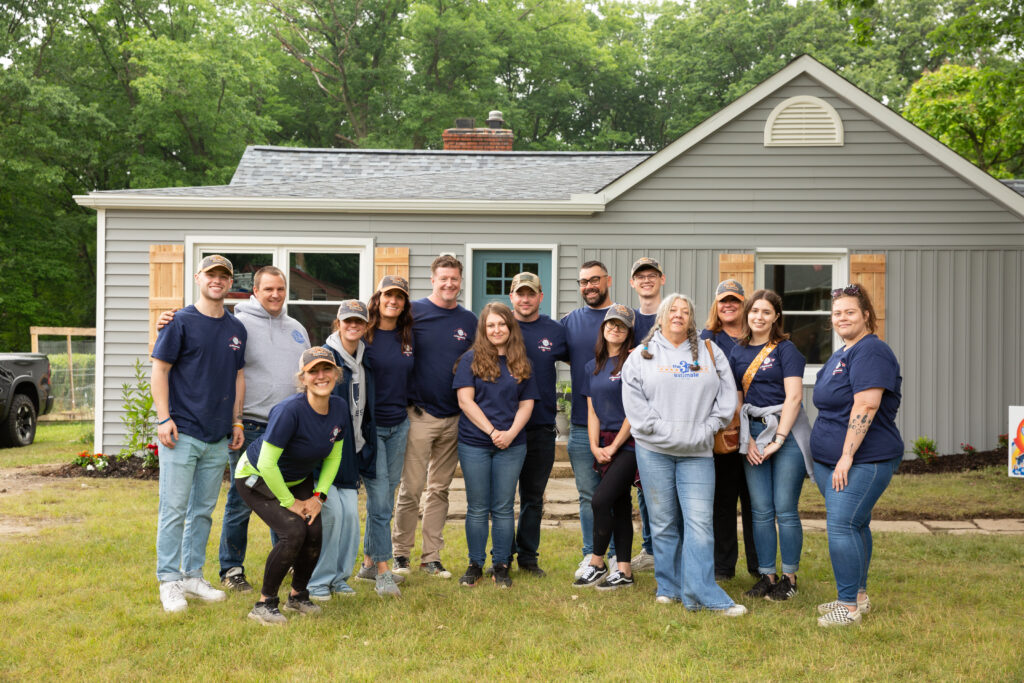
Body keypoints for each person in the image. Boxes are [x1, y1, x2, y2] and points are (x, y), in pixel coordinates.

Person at [621, 293, 745, 615]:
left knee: (700, 524)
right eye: (672, 310)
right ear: (660, 317)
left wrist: (708, 428)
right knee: (663, 523)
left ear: (691, 319)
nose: (679, 315)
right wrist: (664, 431)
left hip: (698, 452)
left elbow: (727, 394)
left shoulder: (708, 351)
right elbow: (634, 403)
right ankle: (669, 586)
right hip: (654, 451)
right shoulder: (642, 355)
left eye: (685, 311)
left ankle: (701, 592)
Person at [151, 254, 246, 613]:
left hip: (218, 435)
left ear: (229, 282)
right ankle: (169, 580)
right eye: (211, 275)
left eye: (223, 276)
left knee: (203, 510)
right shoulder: (180, 322)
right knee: (174, 508)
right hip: (182, 431)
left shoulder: (236, 329)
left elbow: (238, 376)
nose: (217, 280)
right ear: (198, 277)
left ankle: (192, 575)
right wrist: (163, 418)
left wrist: (236, 421)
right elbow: (159, 370)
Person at [811, 284, 902, 627]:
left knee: (842, 525)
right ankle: (859, 597)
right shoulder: (843, 352)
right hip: (832, 460)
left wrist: (846, 457)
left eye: (850, 311)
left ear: (866, 315)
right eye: (836, 313)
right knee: (856, 524)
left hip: (865, 460)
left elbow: (866, 404)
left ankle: (847, 607)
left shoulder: (871, 351)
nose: (842, 318)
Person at [233, 347, 345, 625]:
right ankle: (264, 604)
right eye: (313, 371)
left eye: (326, 369)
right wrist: (291, 503)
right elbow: (269, 465)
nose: (321, 376)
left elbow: (334, 455)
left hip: (297, 477)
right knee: (293, 531)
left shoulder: (339, 407)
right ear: (303, 378)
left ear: (336, 374)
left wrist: (319, 497)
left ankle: (298, 596)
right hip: (256, 476)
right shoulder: (289, 411)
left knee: (315, 529)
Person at [392, 255, 477, 578]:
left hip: (455, 416)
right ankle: (400, 554)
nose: (449, 284)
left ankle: (431, 557)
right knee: (411, 488)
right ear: (432, 279)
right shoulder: (412, 313)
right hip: (419, 415)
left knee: (440, 489)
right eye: (443, 278)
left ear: (460, 281)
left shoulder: (469, 321)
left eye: (454, 278)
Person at [730, 289, 812, 603]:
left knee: (785, 509)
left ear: (776, 316)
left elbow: (794, 397)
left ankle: (789, 578)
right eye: (754, 311)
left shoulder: (786, 350)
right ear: (746, 315)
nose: (759, 317)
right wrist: (746, 439)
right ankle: (767, 576)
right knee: (761, 512)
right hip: (752, 435)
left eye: (766, 312)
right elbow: (737, 401)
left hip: (786, 434)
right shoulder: (737, 353)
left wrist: (778, 440)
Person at [454, 303, 539, 588]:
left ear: (510, 327)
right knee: (477, 507)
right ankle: (475, 564)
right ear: (483, 329)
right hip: (475, 443)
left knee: (503, 507)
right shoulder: (470, 360)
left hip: (512, 445)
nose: (496, 330)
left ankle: (501, 564)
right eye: (491, 325)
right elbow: (465, 401)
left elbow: (527, 404)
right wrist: (492, 431)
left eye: (501, 324)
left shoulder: (522, 362)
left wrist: (510, 433)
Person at [307, 300, 377, 601]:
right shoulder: (325, 357)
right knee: (331, 516)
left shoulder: (364, 359)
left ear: (365, 326)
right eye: (347, 320)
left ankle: (340, 578)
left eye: (358, 321)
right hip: (323, 453)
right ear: (338, 322)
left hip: (351, 451)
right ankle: (317, 581)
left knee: (350, 517)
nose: (353, 326)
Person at [353, 276, 414, 596]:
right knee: (379, 503)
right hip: (371, 430)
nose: (394, 301)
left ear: (405, 303)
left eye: (400, 297)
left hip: (399, 425)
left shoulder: (407, 336)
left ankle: (366, 563)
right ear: (377, 298)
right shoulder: (364, 334)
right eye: (388, 295)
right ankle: (382, 571)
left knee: (385, 499)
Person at [508, 272, 568, 576]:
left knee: (533, 497)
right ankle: (502, 556)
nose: (525, 299)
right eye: (520, 293)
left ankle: (528, 557)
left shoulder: (555, 331)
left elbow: (585, 362)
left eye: (531, 293)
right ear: (512, 297)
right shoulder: (499, 328)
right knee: (503, 497)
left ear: (540, 297)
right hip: (505, 427)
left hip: (541, 425)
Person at [574, 305, 637, 590]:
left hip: (629, 443)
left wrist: (614, 448)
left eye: (621, 326)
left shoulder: (634, 362)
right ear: (603, 328)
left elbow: (634, 411)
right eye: (611, 324)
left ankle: (597, 563)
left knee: (600, 500)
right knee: (619, 503)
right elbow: (592, 412)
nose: (615, 329)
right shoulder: (593, 366)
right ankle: (624, 570)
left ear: (628, 333)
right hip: (602, 443)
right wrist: (594, 445)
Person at [700, 279, 758, 581]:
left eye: (734, 300)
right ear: (716, 304)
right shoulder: (707, 339)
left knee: (755, 502)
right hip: (724, 433)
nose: (729, 306)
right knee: (723, 501)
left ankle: (759, 566)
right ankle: (723, 567)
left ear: (744, 303)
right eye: (723, 301)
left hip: (758, 432)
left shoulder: (756, 337)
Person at [560, 260, 615, 578]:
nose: (589, 286)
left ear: (608, 280)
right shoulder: (570, 322)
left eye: (594, 280)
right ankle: (591, 555)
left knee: (617, 494)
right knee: (587, 495)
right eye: (583, 282)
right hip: (581, 423)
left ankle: (625, 554)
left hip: (620, 425)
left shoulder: (623, 317)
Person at [628, 257, 666, 574]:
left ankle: (667, 549)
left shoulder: (672, 317)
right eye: (640, 276)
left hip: (668, 414)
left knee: (666, 487)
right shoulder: (628, 321)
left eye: (651, 275)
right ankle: (650, 549)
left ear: (661, 279)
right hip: (637, 414)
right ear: (633, 283)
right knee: (643, 485)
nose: (646, 280)